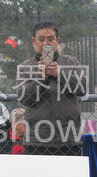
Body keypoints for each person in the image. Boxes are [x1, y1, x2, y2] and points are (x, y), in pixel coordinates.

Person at [15, 21, 87, 156]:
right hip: (36, 140)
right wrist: (42, 78)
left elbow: (82, 88)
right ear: (33, 42)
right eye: (41, 39)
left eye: (50, 39)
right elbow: (25, 98)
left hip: (69, 138)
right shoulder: (25, 67)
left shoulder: (71, 62)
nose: (46, 44)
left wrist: (59, 74)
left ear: (57, 41)